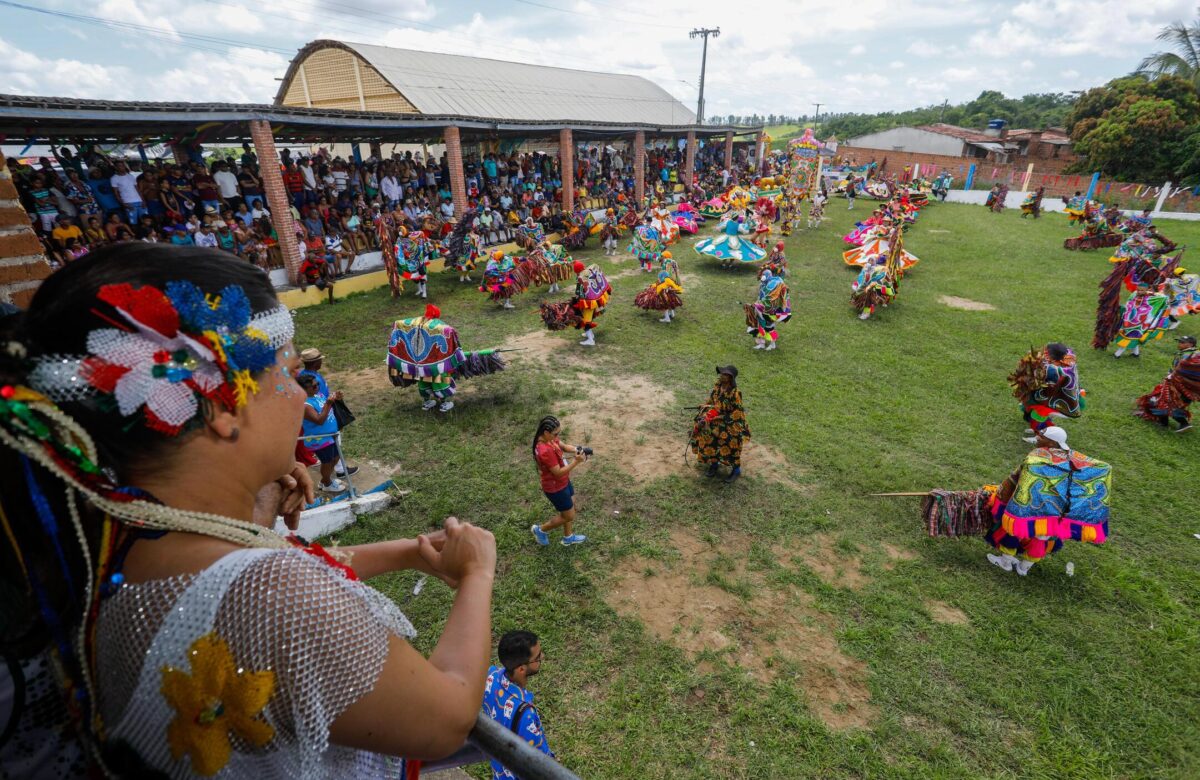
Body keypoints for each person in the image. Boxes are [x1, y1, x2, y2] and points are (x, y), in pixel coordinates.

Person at [0, 244, 498, 777]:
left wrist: (407, 553)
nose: (296, 395)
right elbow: (445, 719)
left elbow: (270, 567)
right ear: (222, 407)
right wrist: (475, 572)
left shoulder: (116, 532)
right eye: (287, 373)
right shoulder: (268, 597)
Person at [985, 427, 1111, 575]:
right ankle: (1024, 568)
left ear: (1052, 442)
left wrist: (1004, 494)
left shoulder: (1037, 455)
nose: (1037, 439)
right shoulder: (1074, 457)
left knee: (1014, 531)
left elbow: (1019, 476)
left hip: (1032, 504)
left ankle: (1005, 562)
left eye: (1041, 437)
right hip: (1058, 511)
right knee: (1042, 537)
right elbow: (1099, 467)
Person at [483, 630, 556, 779]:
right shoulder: (525, 713)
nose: (543, 657)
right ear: (521, 669)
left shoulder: (490, 675)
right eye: (537, 657)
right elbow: (537, 761)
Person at [1008, 342, 1086, 441]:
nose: (1044, 355)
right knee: (1037, 409)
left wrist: (1030, 361)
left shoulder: (1055, 371)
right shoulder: (1068, 357)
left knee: (1038, 413)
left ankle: (1040, 436)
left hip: (1063, 402)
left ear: (1053, 359)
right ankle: (1043, 428)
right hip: (1060, 396)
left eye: (1046, 354)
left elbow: (1035, 375)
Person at [530, 415, 588, 546]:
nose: (557, 437)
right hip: (556, 487)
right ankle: (540, 530)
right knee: (568, 515)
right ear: (546, 432)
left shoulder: (550, 439)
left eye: (559, 433)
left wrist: (577, 449)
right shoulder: (544, 450)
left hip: (563, 482)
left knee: (570, 506)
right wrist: (576, 462)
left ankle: (568, 537)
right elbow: (557, 473)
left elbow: (564, 446)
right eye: (556, 434)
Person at [689, 366, 750, 483]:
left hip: (732, 421)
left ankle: (736, 470)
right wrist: (705, 405)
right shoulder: (717, 386)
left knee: (731, 441)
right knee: (706, 433)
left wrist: (718, 417)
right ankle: (714, 463)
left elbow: (737, 413)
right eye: (722, 373)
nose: (722, 376)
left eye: (725, 375)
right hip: (716, 418)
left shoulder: (735, 393)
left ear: (730, 378)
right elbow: (712, 401)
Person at [1135, 334, 1200, 432]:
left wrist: (1174, 376)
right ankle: (1164, 422)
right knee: (1163, 399)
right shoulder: (1189, 352)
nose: (1179, 344)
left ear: (1190, 344)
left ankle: (1181, 423)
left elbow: (1184, 369)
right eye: (1179, 341)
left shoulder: (1190, 354)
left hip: (1181, 386)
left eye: (1182, 342)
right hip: (1177, 383)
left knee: (1167, 402)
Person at [298, 373, 347, 492]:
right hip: (320, 439)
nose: (317, 387)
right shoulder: (306, 405)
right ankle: (327, 484)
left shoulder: (318, 395)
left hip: (330, 436)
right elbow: (319, 420)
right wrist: (328, 403)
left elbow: (326, 408)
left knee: (335, 459)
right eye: (314, 386)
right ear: (304, 389)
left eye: (318, 384)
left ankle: (325, 480)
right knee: (327, 462)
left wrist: (336, 399)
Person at [746, 269, 791, 348]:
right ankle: (762, 343)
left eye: (764, 275)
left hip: (772, 310)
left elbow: (770, 298)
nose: (762, 277)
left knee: (770, 327)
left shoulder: (774, 284)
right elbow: (761, 296)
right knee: (759, 325)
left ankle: (772, 344)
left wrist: (759, 305)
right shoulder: (763, 284)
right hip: (762, 308)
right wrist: (756, 304)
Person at [634, 249, 683, 323]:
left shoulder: (666, 262)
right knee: (670, 299)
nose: (660, 257)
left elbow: (664, 276)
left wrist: (658, 284)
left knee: (663, 300)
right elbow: (676, 274)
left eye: (662, 256)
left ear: (665, 257)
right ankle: (671, 314)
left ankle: (667, 318)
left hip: (666, 285)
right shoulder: (673, 262)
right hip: (674, 284)